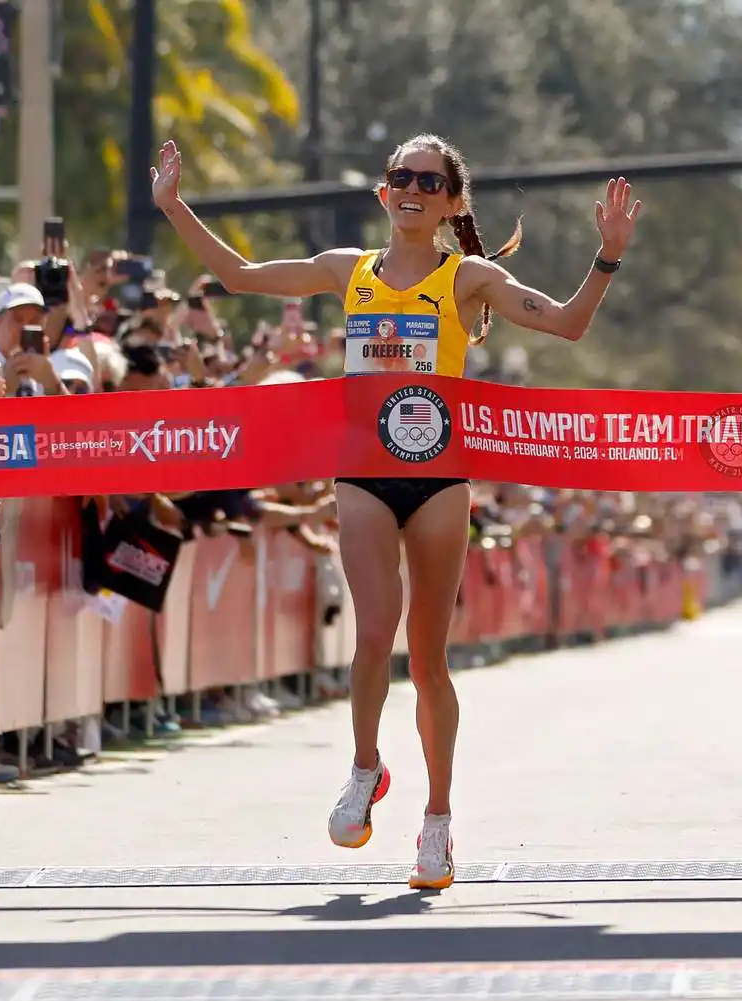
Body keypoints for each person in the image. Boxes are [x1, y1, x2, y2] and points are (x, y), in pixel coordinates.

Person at [151, 132, 641, 889]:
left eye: (429, 178)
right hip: (364, 476)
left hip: (440, 478)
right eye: (399, 174)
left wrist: (607, 257)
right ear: (384, 192)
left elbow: (568, 323)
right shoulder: (350, 272)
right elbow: (240, 275)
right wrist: (174, 206)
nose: (411, 185)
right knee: (372, 634)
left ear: (450, 201)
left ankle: (437, 824)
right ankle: (365, 767)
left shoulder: (468, 276)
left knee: (430, 656)